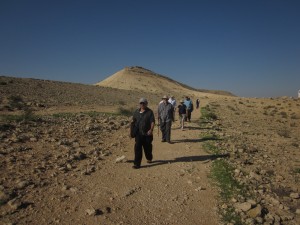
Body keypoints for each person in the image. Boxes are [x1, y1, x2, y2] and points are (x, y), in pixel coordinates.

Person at [131, 98, 155, 169]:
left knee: (147, 148)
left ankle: (149, 157)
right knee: (137, 148)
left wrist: (151, 129)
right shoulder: (136, 112)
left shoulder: (150, 112)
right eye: (141, 103)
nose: (142, 104)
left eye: (143, 103)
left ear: (146, 104)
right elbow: (133, 122)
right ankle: (137, 164)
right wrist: (131, 132)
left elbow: (152, 122)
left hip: (147, 134)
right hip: (138, 133)